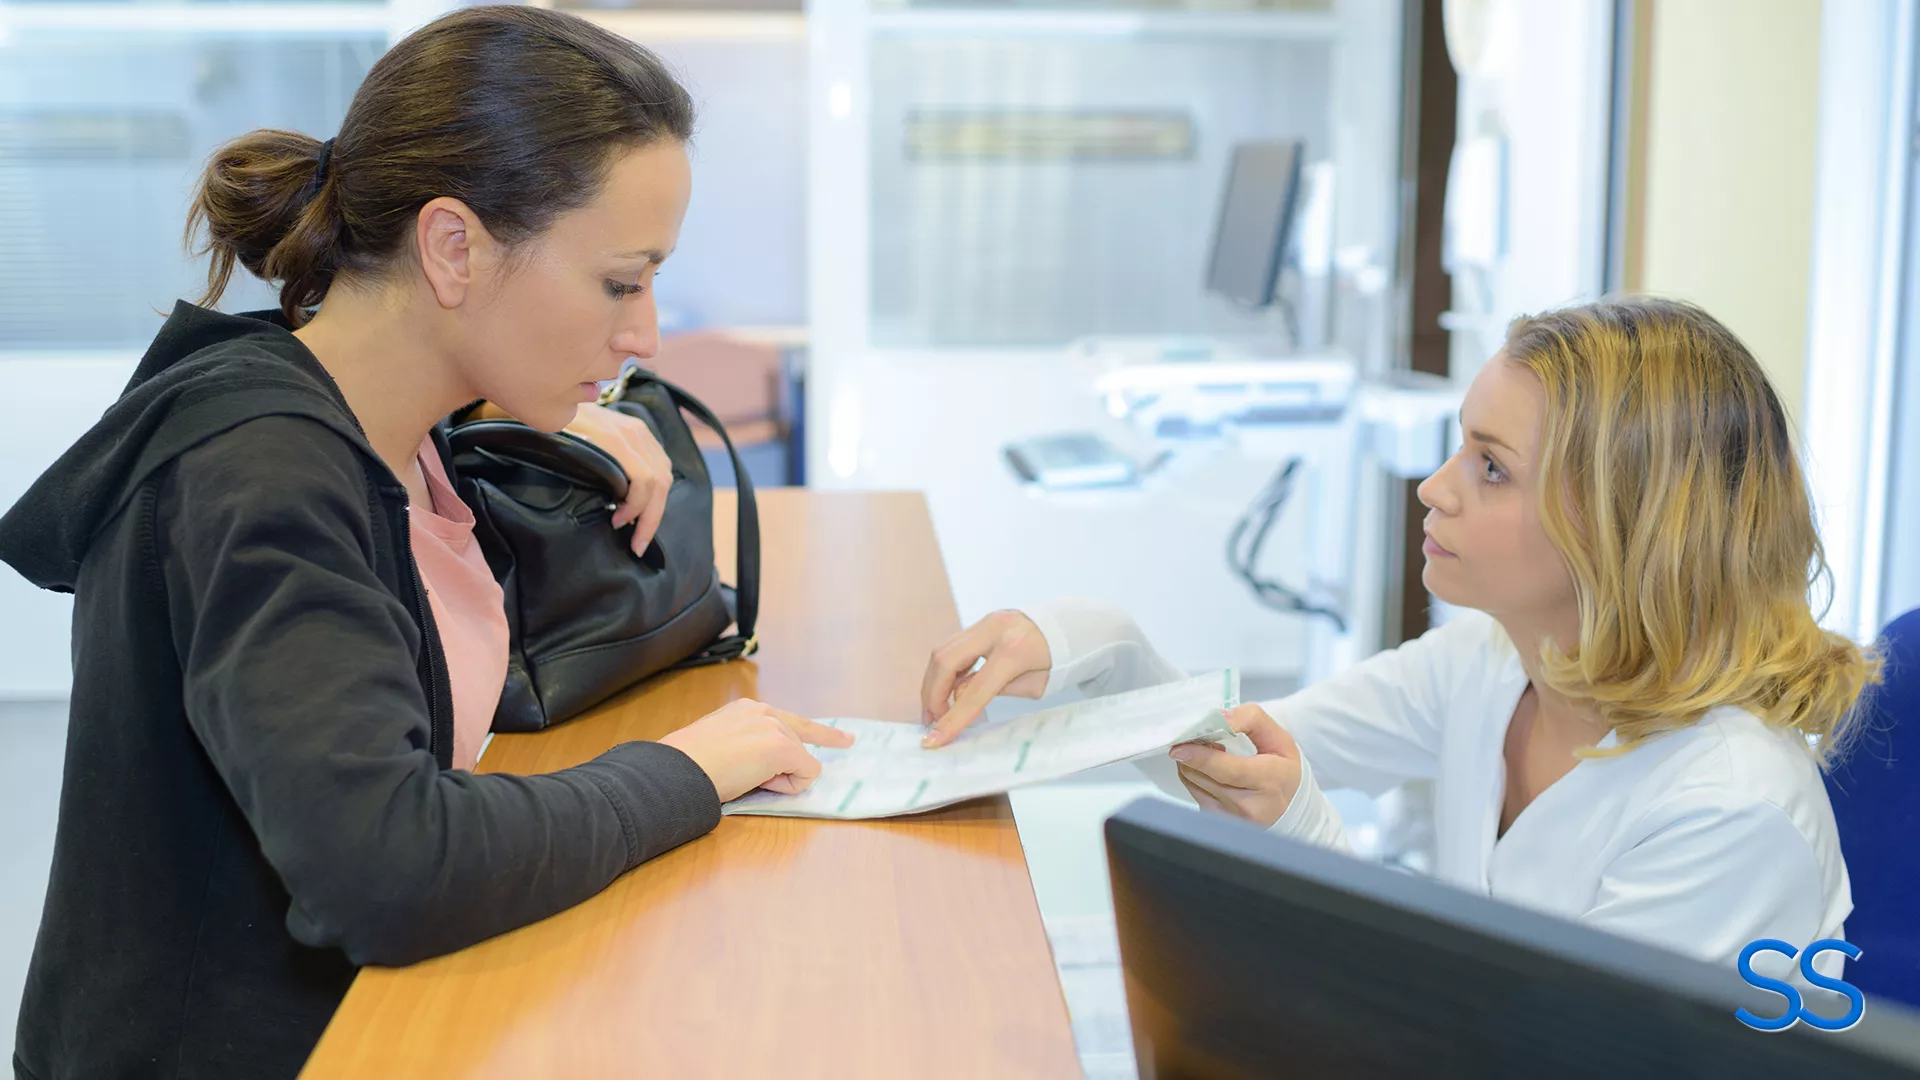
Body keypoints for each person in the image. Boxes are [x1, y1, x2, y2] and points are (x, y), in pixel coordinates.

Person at [0, 8, 849, 1078]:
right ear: (452, 247)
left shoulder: (390, 423)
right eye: (620, 281)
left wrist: (544, 418)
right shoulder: (262, 475)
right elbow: (387, 867)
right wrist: (682, 776)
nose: (644, 336)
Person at [920, 297, 1877, 978]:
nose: (1435, 487)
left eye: (1492, 468)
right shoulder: (1498, 663)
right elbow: (1237, 764)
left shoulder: (1728, 809)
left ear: (1625, 525)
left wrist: (1307, 835)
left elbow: (1510, 1051)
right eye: (1464, 446)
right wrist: (1103, 647)